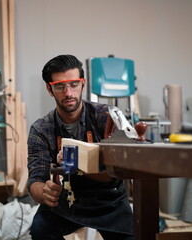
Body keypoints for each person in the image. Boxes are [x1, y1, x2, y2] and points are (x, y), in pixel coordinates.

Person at [27, 54, 134, 240]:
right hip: (67, 200)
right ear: (50, 89)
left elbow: (125, 163)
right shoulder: (41, 129)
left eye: (74, 84)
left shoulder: (106, 117)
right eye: (60, 86)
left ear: (82, 84)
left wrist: (83, 160)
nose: (68, 93)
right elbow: (36, 178)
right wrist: (44, 193)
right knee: (40, 229)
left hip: (109, 201)